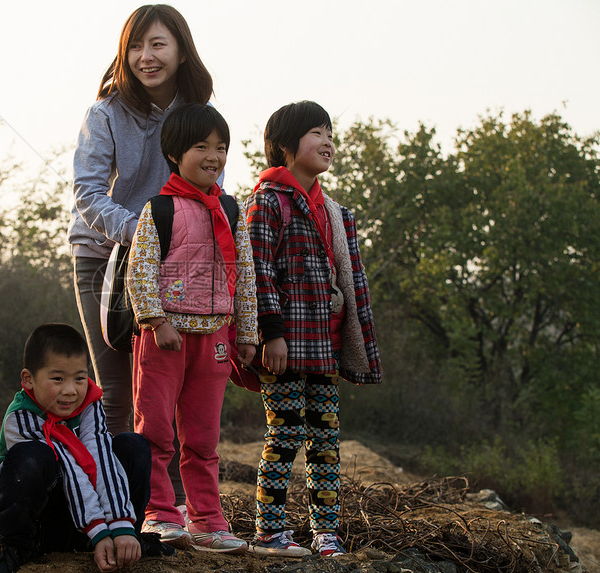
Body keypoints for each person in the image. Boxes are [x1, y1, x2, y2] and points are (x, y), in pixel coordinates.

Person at [69, 5, 212, 457]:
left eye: (157, 44)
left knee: (167, 390)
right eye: (135, 46)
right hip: (103, 257)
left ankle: (169, 511)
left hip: (174, 266)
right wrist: (145, 234)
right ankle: (117, 506)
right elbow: (89, 193)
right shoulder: (105, 113)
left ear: (181, 51)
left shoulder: (200, 116)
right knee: (115, 392)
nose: (145, 56)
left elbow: (208, 191)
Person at [244, 101, 383, 558]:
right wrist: (272, 334)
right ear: (285, 144)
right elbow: (257, 272)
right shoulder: (267, 201)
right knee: (283, 435)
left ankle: (325, 529)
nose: (327, 142)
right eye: (316, 133)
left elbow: (347, 279)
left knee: (325, 439)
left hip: (322, 345)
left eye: (330, 133)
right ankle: (270, 530)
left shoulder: (335, 212)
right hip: (284, 344)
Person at [126, 103, 258, 553]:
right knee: (156, 431)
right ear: (175, 154)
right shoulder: (159, 209)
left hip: (215, 340)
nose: (213, 156)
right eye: (202, 146)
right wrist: (156, 319)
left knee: (202, 437)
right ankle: (159, 513)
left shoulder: (232, 210)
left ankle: (208, 520)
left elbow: (245, 275)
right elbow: (139, 270)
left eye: (221, 147)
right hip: (165, 339)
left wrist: (247, 333)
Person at [0, 323, 173, 573]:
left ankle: (126, 540)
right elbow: (71, 469)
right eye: (57, 379)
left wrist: (119, 525)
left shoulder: (89, 406)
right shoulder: (21, 417)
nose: (70, 391)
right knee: (30, 456)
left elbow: (100, 459)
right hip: (42, 524)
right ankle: (13, 546)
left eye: (79, 378)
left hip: (82, 523)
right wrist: (97, 531)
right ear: (29, 379)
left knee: (132, 445)